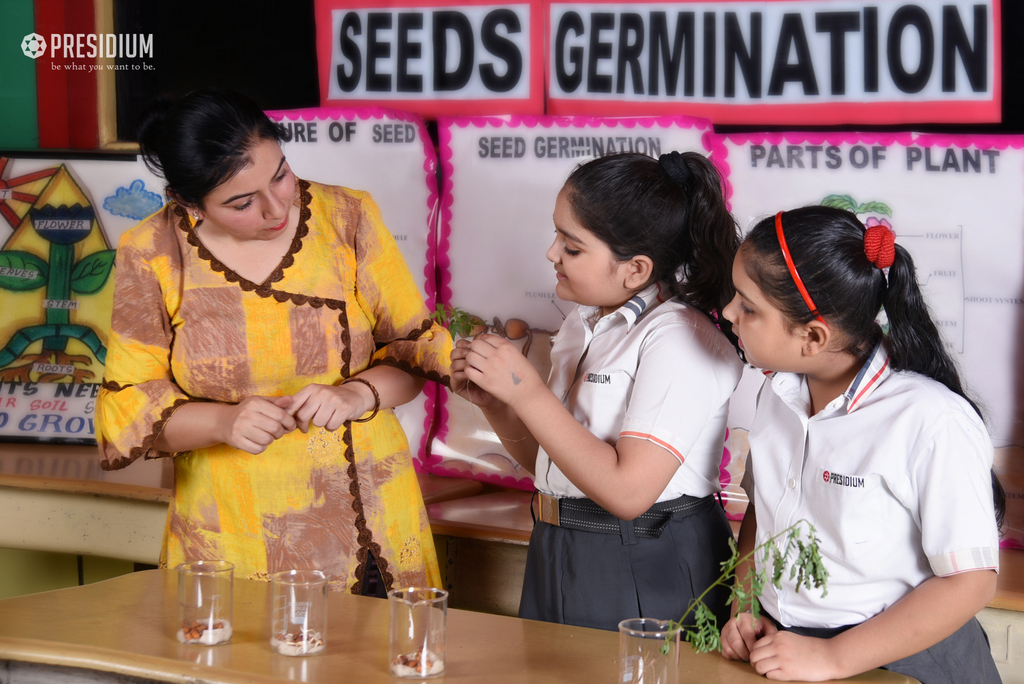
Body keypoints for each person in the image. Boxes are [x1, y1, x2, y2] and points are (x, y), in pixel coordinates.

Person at [97, 89, 451, 595]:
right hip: (228, 541)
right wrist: (223, 421)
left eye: (281, 174)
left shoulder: (347, 217)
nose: (275, 207)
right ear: (187, 202)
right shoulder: (152, 252)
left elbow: (412, 351)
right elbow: (127, 409)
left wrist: (355, 395)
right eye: (242, 202)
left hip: (367, 523)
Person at [450, 151, 744, 631]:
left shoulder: (679, 338)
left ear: (635, 269)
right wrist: (499, 407)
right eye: (556, 237)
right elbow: (558, 464)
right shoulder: (582, 325)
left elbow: (629, 493)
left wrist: (526, 393)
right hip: (559, 546)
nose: (552, 254)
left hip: (645, 556)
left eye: (572, 246)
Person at [719, 206, 1005, 682]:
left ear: (813, 336)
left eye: (748, 307)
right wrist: (744, 604)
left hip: (900, 657)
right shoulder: (777, 392)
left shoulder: (931, 419)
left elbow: (970, 582)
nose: (728, 312)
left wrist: (832, 658)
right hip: (787, 650)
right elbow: (766, 509)